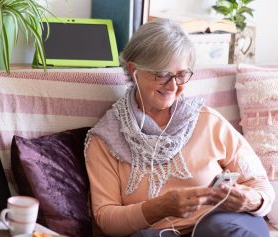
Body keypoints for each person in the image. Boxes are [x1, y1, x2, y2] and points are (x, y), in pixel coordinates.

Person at [84, 19, 275, 237]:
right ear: (133, 69)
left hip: (224, 227)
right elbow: (106, 219)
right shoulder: (105, 140)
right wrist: (159, 207)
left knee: (217, 229)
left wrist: (251, 200)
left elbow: (259, 184)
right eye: (162, 74)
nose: (174, 86)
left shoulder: (209, 122)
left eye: (182, 74)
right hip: (157, 233)